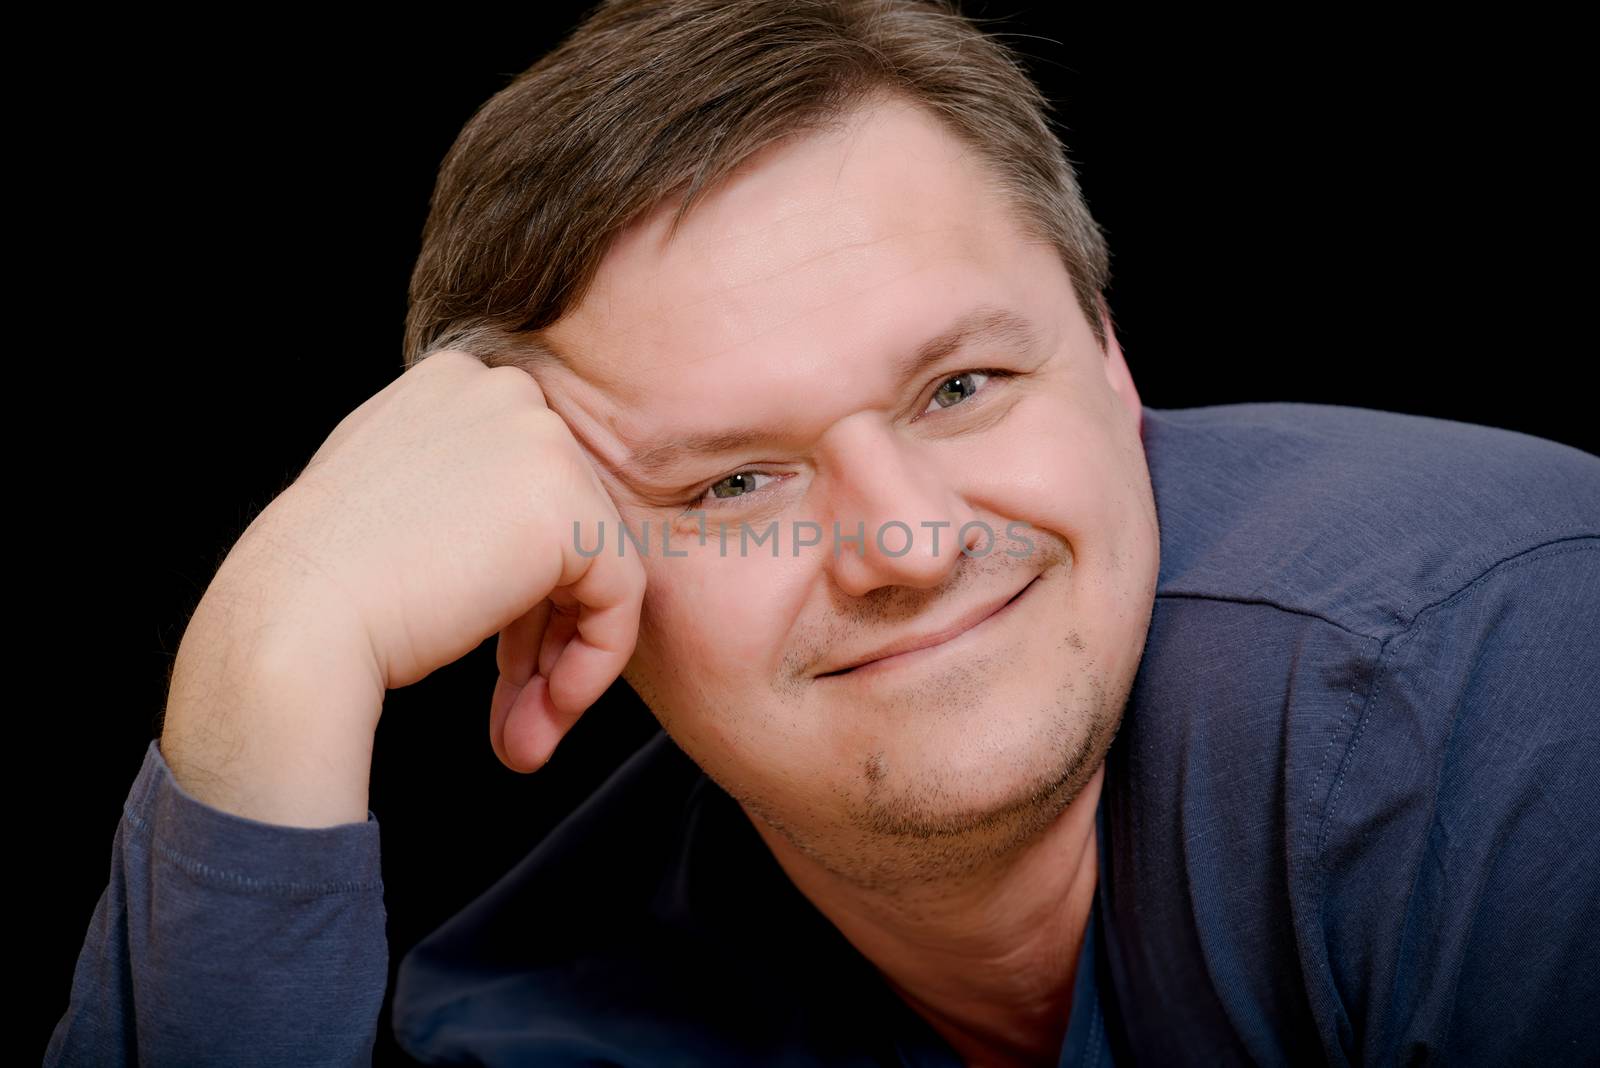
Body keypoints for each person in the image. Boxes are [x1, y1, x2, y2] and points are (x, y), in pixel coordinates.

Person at [46, 1, 1599, 1065]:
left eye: (962, 387)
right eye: (732, 485)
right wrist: (281, 640)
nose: (909, 542)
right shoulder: (555, 1016)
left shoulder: (1490, 675)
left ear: (1113, 364)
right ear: (565, 586)